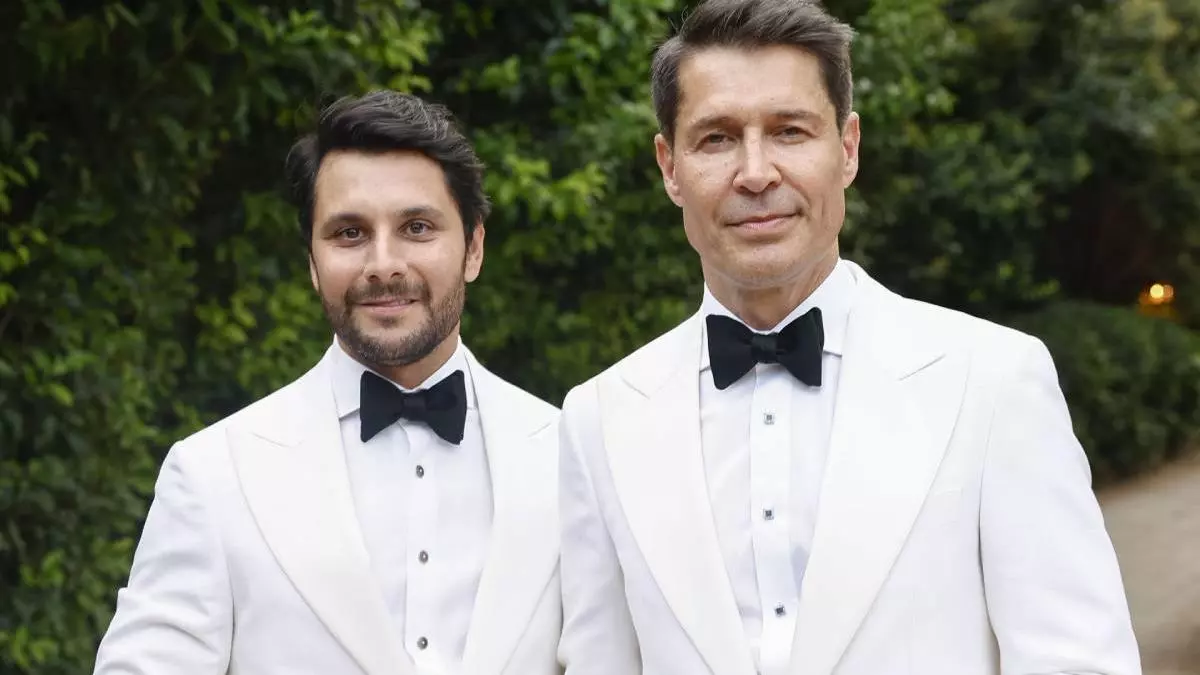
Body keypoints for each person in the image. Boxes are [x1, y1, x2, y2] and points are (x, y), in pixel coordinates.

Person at [556, 1, 1142, 674]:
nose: (755, 172)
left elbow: (1077, 662)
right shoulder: (599, 418)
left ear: (848, 148)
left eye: (790, 131)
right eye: (716, 138)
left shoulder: (994, 380)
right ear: (669, 166)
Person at [94, 91, 563, 675]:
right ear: (312, 264)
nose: (384, 264)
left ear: (473, 248)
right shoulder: (214, 473)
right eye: (349, 233)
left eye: (417, 227)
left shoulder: (570, 455)